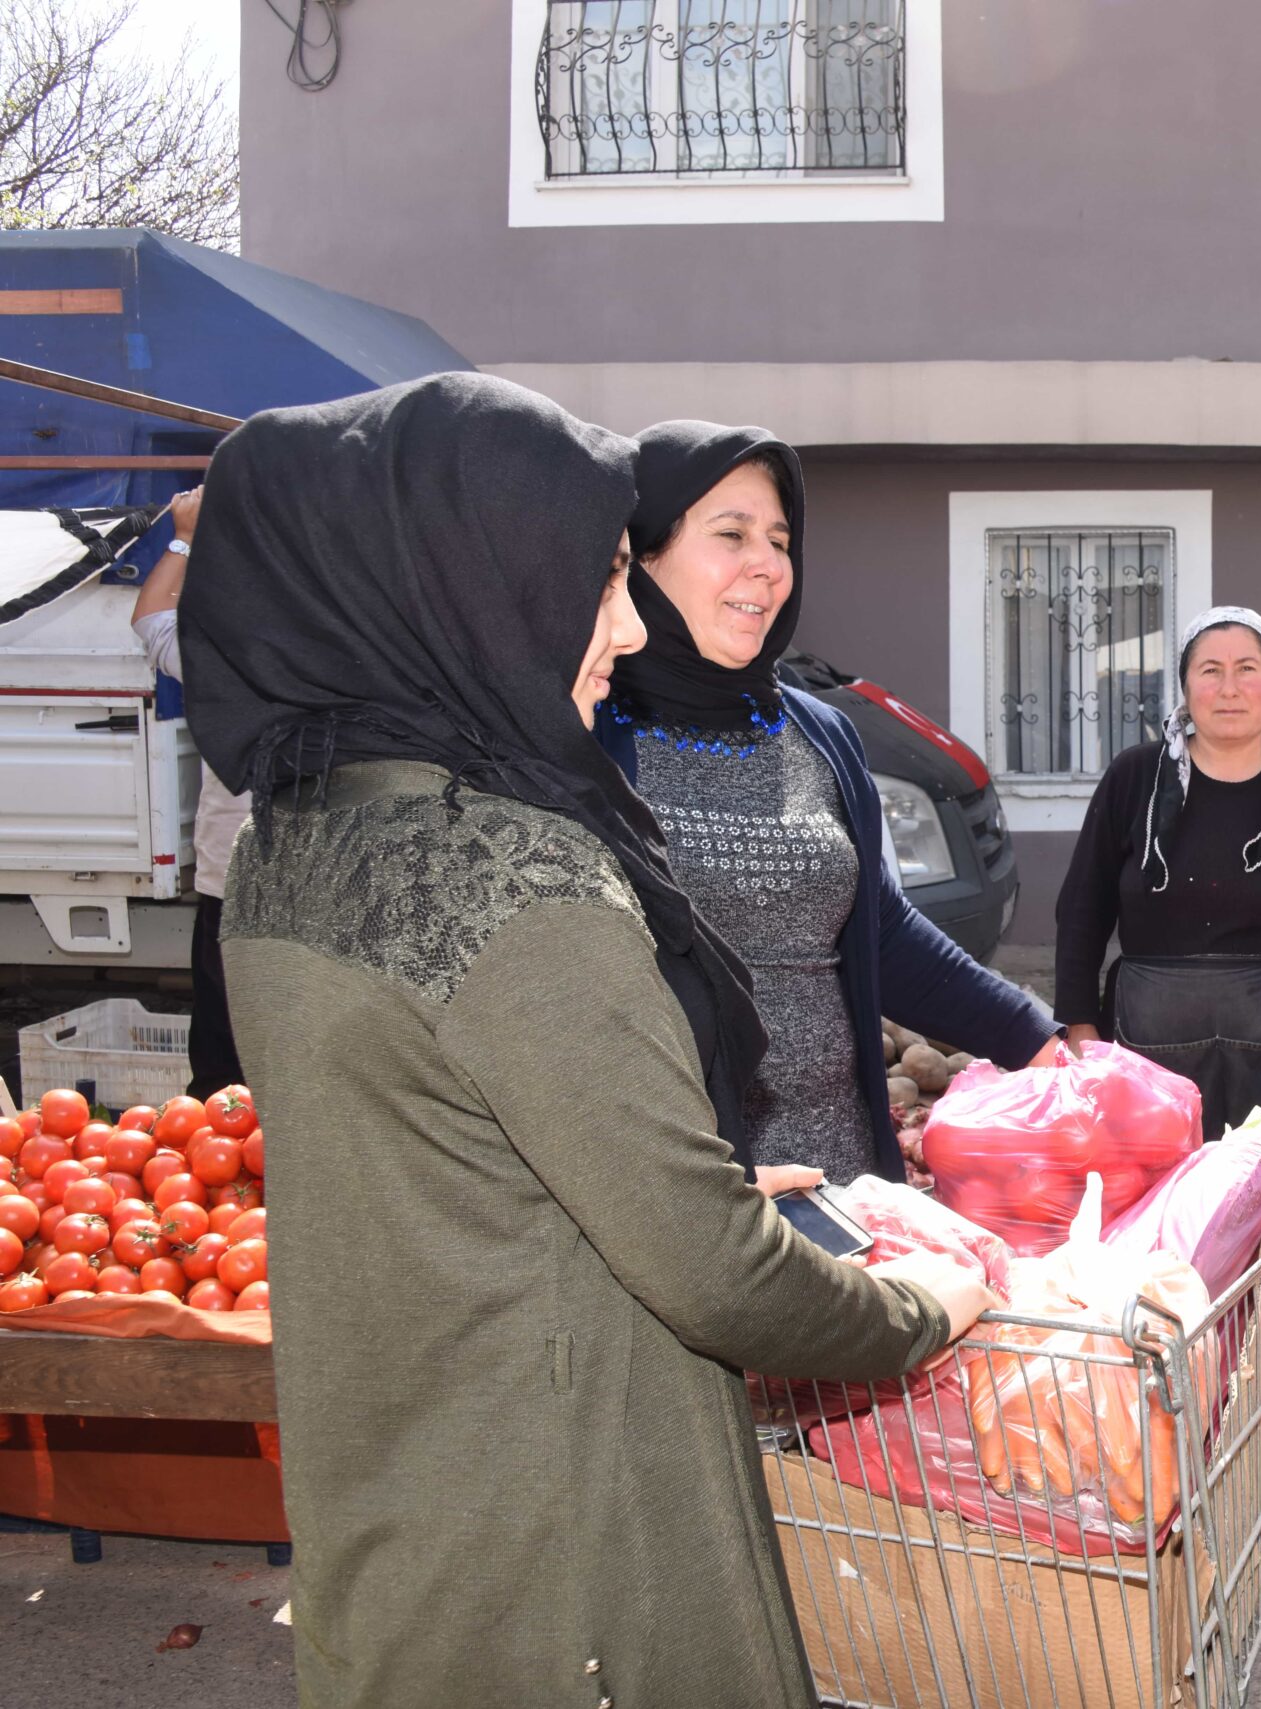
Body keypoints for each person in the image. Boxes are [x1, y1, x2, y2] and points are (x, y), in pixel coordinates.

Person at [182, 373, 999, 1709]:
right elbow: (717, 1283)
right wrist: (926, 1308)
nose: (623, 625)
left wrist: (685, 1183)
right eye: (596, 577)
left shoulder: (291, 845)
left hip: (395, 1525)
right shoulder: (517, 880)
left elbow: (448, 1148)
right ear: (464, 580)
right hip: (575, 1564)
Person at [597, 421, 1066, 1190]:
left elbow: (879, 930)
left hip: (842, 1187)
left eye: (779, 541)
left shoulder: (821, 734)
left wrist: (1036, 1039)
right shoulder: (589, 730)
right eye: (732, 534)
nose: (767, 566)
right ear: (644, 556)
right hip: (683, 1206)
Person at [1055, 606, 1261, 1154]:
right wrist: (1081, 1034)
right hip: (1146, 1057)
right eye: (1210, 670)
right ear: (1185, 687)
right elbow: (1080, 915)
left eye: (1248, 669)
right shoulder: (1133, 780)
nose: (1229, 688)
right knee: (1157, 1216)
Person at [128, 485, 250, 1097]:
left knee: (225, 1064)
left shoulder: (229, 647)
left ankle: (224, 1173)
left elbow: (150, 619)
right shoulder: (356, 647)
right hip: (326, 879)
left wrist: (185, 535)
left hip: (235, 881)